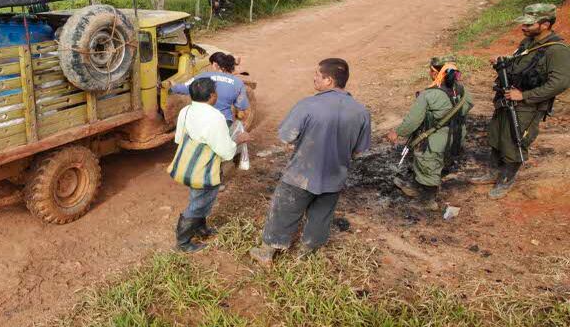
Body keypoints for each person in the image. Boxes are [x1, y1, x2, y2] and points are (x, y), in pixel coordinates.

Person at [249, 58, 371, 264]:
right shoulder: (361, 112)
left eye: (317, 74)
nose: (314, 77)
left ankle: (268, 250)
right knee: (322, 215)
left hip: (301, 174)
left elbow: (287, 136)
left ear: (329, 80)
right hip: (335, 176)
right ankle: (307, 252)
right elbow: (359, 150)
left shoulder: (308, 104)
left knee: (285, 209)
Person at [471, 3, 570, 199]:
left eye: (528, 24)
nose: (523, 28)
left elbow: (559, 83)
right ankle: (493, 172)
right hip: (507, 99)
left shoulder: (557, 50)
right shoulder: (528, 43)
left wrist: (524, 96)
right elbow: (522, 64)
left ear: (545, 25)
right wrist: (503, 62)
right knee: (497, 135)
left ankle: (506, 179)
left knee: (514, 141)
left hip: (528, 106)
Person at [168, 77, 250, 253]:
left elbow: (178, 139)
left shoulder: (186, 111)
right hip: (204, 168)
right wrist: (238, 139)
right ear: (213, 96)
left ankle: (200, 228)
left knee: (198, 198)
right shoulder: (216, 117)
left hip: (188, 165)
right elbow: (226, 152)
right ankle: (183, 243)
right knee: (199, 203)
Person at [386, 56, 473, 211]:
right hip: (457, 135)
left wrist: (397, 132)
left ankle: (428, 200)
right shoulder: (461, 89)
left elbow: (413, 120)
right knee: (441, 161)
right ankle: (418, 185)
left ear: (435, 73)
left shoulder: (429, 95)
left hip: (436, 140)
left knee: (428, 164)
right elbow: (468, 105)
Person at [169, 51, 249, 128]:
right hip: (224, 122)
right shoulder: (238, 82)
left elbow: (184, 88)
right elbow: (242, 106)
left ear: (215, 64)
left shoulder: (203, 76)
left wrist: (173, 87)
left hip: (202, 121)